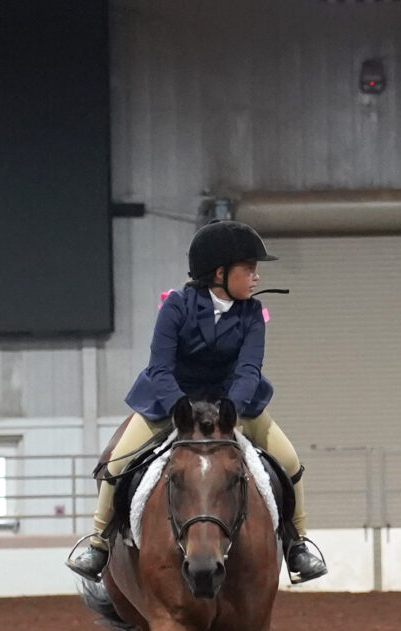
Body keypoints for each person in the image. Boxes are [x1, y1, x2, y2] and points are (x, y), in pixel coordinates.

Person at [67, 220, 327, 584]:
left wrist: (230, 410)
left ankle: (297, 543)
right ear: (219, 273)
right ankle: (98, 542)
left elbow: (249, 369)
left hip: (233, 404)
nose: (255, 277)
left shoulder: (252, 312)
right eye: (248, 269)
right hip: (172, 401)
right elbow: (159, 367)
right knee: (115, 463)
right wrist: (180, 407)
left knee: (290, 462)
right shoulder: (176, 306)